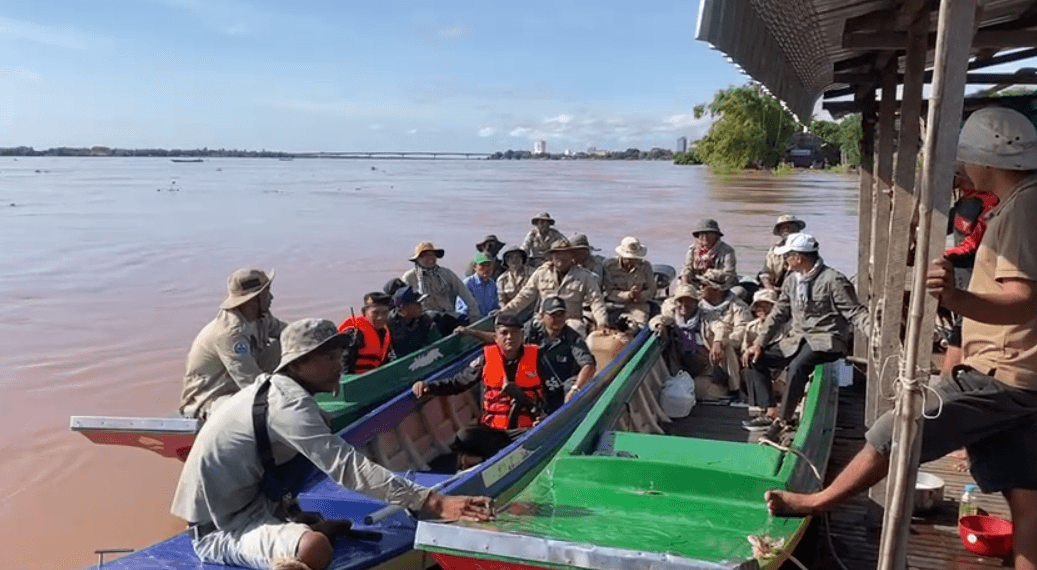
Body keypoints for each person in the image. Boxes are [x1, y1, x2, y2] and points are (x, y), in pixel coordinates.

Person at [764, 107, 1037, 570]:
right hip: (1021, 374)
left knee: (893, 429)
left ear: (985, 160)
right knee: (1027, 502)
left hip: (1001, 371)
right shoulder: (1019, 202)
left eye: (965, 158)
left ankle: (819, 502)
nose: (963, 168)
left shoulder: (1022, 207)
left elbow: (1023, 299)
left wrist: (953, 297)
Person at [172, 318, 493, 570]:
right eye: (327, 357)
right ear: (297, 365)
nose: (338, 364)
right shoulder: (289, 407)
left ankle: (288, 518)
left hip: (253, 505)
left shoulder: (284, 394)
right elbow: (347, 468)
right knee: (315, 549)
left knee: (323, 429)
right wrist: (432, 502)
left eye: (338, 355)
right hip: (220, 528)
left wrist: (290, 512)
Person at [742, 233, 869, 440]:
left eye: (788, 256)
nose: (785, 260)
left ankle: (782, 421)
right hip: (797, 340)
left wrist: (875, 332)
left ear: (798, 258)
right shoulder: (792, 281)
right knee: (755, 359)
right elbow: (779, 314)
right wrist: (758, 343)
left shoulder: (833, 280)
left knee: (797, 367)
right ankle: (770, 410)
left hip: (825, 341)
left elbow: (855, 312)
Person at [412, 313, 549, 468]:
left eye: (515, 333)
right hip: (495, 430)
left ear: (522, 336)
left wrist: (546, 415)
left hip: (527, 429)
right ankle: (483, 462)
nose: (510, 337)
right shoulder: (486, 358)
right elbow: (458, 382)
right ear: (496, 336)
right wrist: (428, 386)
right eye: (504, 333)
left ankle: (490, 460)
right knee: (464, 436)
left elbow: (554, 390)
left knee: (535, 436)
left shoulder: (537, 357)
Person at [458, 296, 596, 413]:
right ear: (543, 315)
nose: (558, 319)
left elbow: (588, 365)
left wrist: (575, 389)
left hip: (559, 388)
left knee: (570, 389)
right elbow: (501, 339)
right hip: (533, 382)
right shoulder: (531, 329)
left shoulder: (573, 337)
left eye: (561, 314)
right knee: (487, 372)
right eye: (553, 315)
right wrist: (471, 332)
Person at [180, 268, 285, 420]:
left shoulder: (260, 317)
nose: (271, 297)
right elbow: (251, 382)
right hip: (211, 401)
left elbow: (290, 333)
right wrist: (289, 396)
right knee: (262, 409)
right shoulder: (230, 334)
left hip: (238, 388)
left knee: (289, 345)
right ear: (253, 300)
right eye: (267, 292)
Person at [502, 238, 608, 336]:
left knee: (577, 331)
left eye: (565, 254)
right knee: (526, 332)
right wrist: (505, 311)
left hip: (571, 321)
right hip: (543, 320)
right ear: (551, 256)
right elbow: (525, 296)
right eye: (557, 254)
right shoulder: (541, 273)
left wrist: (602, 323)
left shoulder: (584, 276)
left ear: (571, 256)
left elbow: (596, 301)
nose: (561, 257)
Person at [401, 241, 481, 331]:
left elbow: (465, 294)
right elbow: (403, 304)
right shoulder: (409, 277)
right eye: (425, 255)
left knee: (463, 322)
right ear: (418, 258)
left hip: (448, 314)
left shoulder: (446, 273)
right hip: (424, 318)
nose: (430, 258)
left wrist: (474, 315)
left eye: (432, 255)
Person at [697, 269, 752, 395]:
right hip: (702, 351)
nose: (700, 288)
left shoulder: (738, 306)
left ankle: (735, 389)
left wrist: (721, 342)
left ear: (716, 289)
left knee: (726, 346)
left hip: (730, 353)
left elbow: (743, 329)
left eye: (704, 285)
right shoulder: (698, 304)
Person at [649, 284, 713, 380]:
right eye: (680, 301)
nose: (684, 305)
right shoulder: (672, 318)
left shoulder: (705, 318)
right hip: (678, 363)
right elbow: (659, 319)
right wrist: (659, 325)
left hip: (702, 366)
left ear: (696, 303)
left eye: (689, 301)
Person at [740, 288, 785, 419]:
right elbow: (744, 350)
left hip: (781, 369)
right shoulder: (751, 327)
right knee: (749, 364)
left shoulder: (787, 327)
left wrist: (781, 380)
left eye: (766, 305)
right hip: (759, 369)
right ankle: (758, 406)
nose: (761, 309)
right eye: (758, 306)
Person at [603, 236, 657, 325]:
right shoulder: (609, 266)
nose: (632, 262)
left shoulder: (645, 266)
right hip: (613, 304)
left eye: (635, 258)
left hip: (638, 306)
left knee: (640, 324)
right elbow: (609, 291)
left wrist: (640, 295)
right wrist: (628, 295)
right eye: (628, 259)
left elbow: (652, 290)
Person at [337, 292, 393, 374]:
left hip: (372, 377)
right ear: (364, 312)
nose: (381, 317)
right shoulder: (354, 333)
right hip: (354, 380)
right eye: (375, 313)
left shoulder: (385, 332)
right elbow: (342, 368)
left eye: (385, 313)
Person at [680, 218, 738, 288]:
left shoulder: (727, 250)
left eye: (708, 233)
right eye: (702, 234)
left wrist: (710, 275)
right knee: (681, 286)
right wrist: (686, 277)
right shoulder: (692, 249)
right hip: (697, 283)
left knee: (738, 291)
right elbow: (687, 267)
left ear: (716, 235)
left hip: (721, 285)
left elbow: (729, 273)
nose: (704, 237)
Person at [387, 286, 442, 357]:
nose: (421, 306)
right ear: (403, 310)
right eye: (417, 304)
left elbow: (438, 344)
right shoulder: (388, 325)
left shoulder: (426, 319)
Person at [759, 214, 807, 290]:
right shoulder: (774, 250)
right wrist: (769, 288)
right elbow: (766, 273)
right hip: (776, 288)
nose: (786, 230)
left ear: (797, 229)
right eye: (783, 227)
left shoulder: (806, 247)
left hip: (799, 287)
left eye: (790, 227)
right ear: (779, 231)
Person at [458, 252, 500, 318]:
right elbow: (462, 309)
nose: (486, 269)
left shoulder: (493, 285)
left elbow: (496, 305)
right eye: (482, 265)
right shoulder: (467, 283)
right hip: (471, 322)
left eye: (488, 265)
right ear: (475, 267)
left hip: (489, 322)